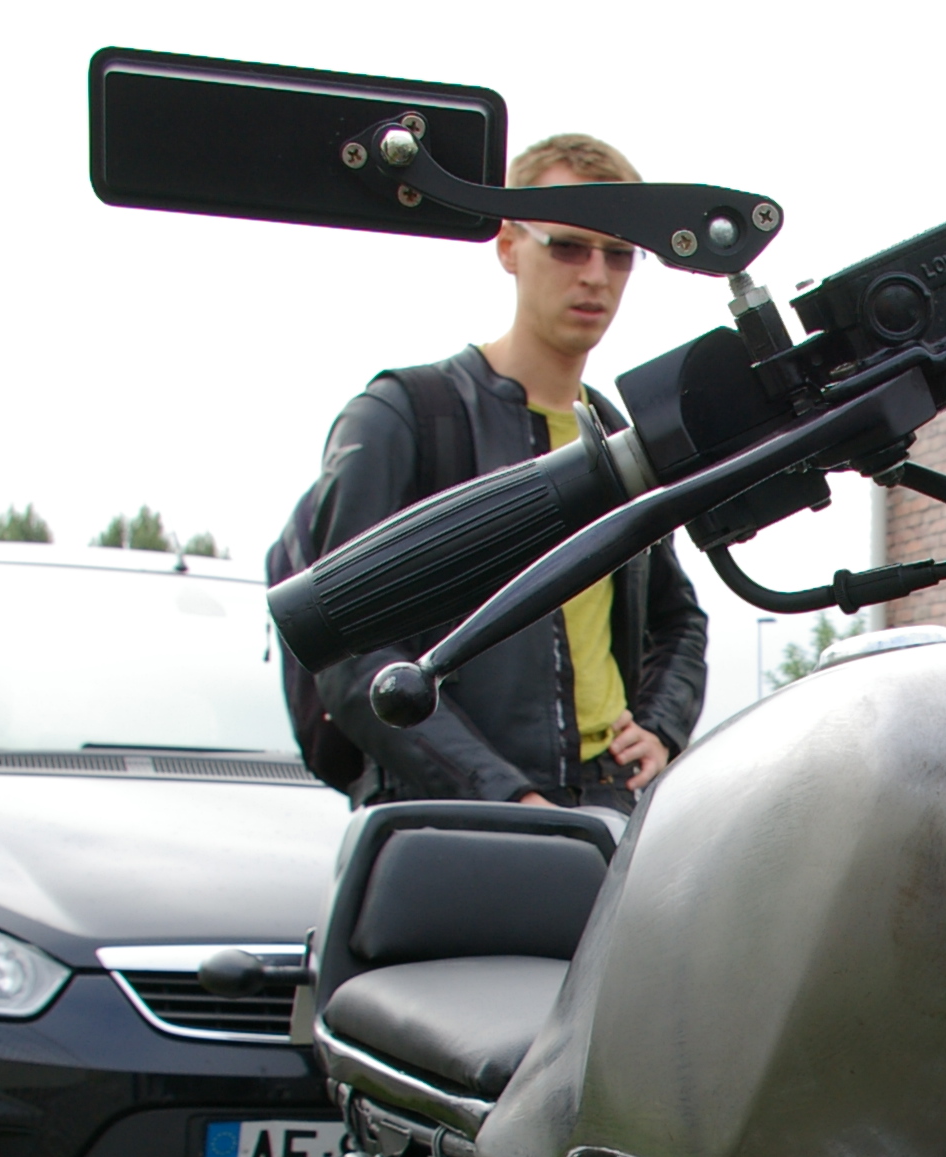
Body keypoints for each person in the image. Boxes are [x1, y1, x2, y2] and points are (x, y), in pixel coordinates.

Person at [273, 132, 707, 809]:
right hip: (451, 823)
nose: (596, 275)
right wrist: (507, 796)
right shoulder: (405, 415)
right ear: (508, 245)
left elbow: (678, 618)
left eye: (620, 253)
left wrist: (661, 727)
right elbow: (352, 656)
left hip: (606, 808)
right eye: (568, 246)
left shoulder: (621, 436)